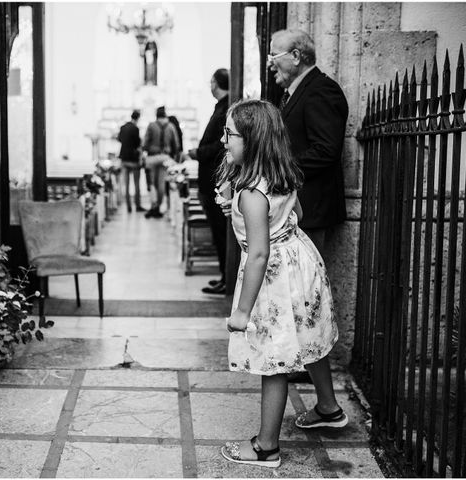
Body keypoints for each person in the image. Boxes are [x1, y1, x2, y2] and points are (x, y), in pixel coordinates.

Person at [218, 100, 347, 468]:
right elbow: (298, 214)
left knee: (273, 359)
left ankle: (266, 447)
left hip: (272, 276)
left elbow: (258, 254)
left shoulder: (251, 194)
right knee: (307, 337)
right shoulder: (283, 174)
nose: (224, 139)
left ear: (253, 141)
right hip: (300, 261)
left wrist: (242, 311)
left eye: (231, 134)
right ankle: (328, 407)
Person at [268, 29, 348, 254]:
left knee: (307, 283)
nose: (270, 65)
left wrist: (278, 169)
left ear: (295, 56)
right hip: (297, 207)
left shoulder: (321, 90)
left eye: (273, 56)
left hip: (311, 210)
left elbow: (325, 150)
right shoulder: (296, 92)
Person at [188, 68, 230, 295]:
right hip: (210, 180)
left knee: (221, 233)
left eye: (211, 81)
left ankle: (227, 277)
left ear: (216, 83)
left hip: (215, 178)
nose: (209, 85)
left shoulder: (225, 109)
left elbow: (220, 146)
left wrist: (198, 152)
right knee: (217, 233)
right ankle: (224, 275)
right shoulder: (221, 107)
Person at [142, 106, 179, 219]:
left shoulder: (151, 125)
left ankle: (153, 206)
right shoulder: (171, 126)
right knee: (161, 183)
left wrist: (147, 149)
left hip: (152, 157)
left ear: (156, 115)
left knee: (152, 183)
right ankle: (158, 207)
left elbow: (145, 143)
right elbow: (176, 145)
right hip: (165, 158)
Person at [117, 110, 145, 213]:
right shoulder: (135, 128)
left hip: (124, 159)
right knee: (136, 184)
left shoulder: (123, 127)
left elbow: (119, 139)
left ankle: (128, 206)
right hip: (133, 159)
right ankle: (137, 205)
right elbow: (138, 143)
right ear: (138, 118)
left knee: (127, 184)